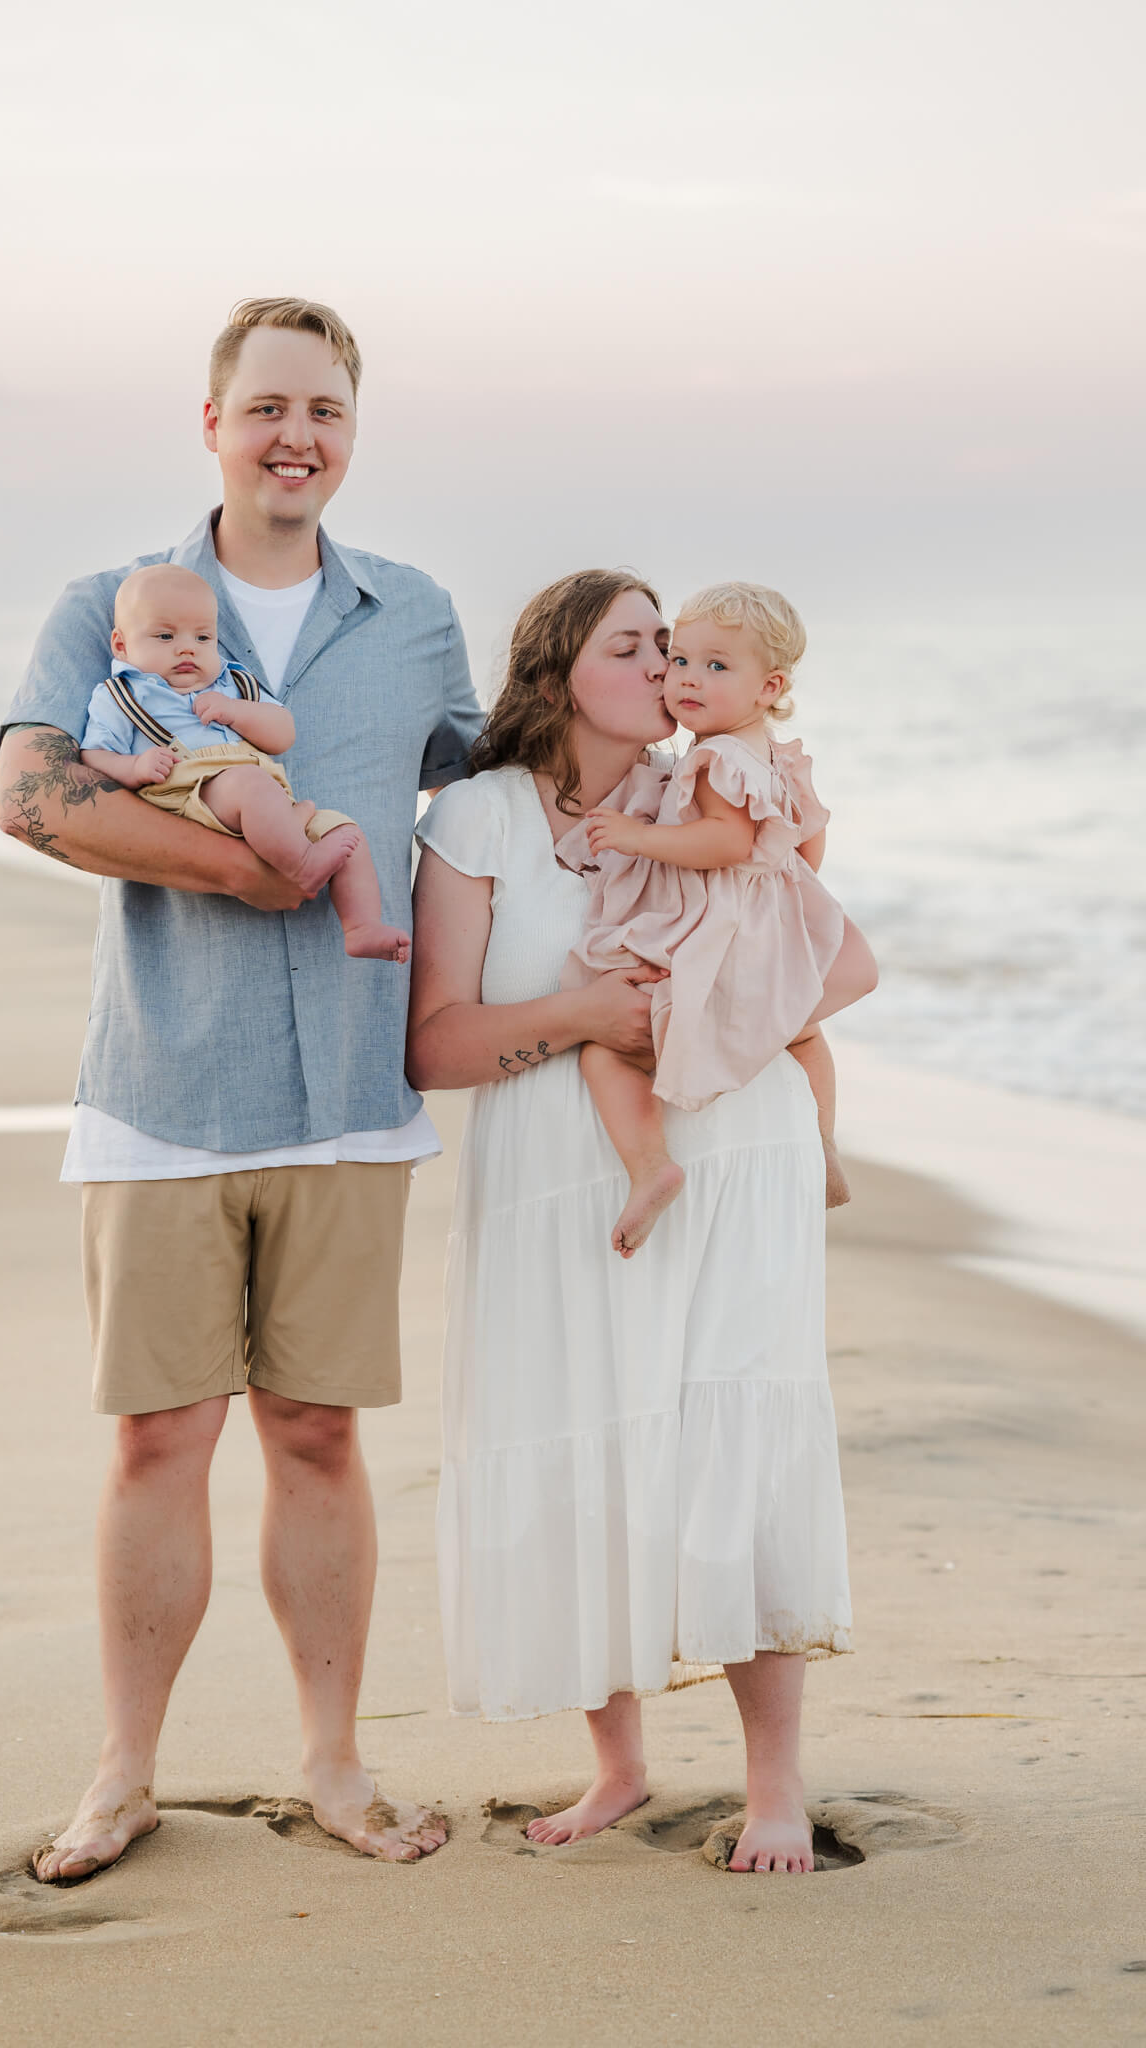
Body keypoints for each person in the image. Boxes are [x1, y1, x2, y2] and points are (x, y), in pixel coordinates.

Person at [0, 295, 480, 1876]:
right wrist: (244, 874)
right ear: (211, 424)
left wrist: (715, 785)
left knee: (320, 1437)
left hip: (349, 1091)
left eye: (325, 411)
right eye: (268, 405)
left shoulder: (408, 615)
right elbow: (32, 794)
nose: (296, 435)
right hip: (162, 1085)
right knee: (154, 1441)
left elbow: (500, 799)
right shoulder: (111, 605)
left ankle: (333, 1765)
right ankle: (124, 1772)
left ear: (350, 435)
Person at [407, 569, 851, 1874]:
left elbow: (792, 940)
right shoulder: (476, 818)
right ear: (557, 674)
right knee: (572, 1442)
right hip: (558, 1177)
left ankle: (773, 1786)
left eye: (676, 650)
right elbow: (433, 1043)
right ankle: (618, 1768)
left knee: (735, 1431)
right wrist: (586, 1019)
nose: (665, 669)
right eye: (635, 646)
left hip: (735, 1148)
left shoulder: (711, 780)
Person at [562, 580, 877, 1255]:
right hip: (774, 922)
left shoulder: (711, 759)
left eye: (715, 666)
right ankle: (819, 1139)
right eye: (680, 660)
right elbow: (805, 850)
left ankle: (650, 1168)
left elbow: (726, 844)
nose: (685, 679)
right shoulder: (771, 753)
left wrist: (635, 835)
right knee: (804, 1036)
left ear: (768, 687)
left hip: (724, 926)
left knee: (606, 1051)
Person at [80, 561, 410, 961]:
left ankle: (361, 926)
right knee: (251, 787)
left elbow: (282, 733)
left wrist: (236, 712)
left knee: (346, 831)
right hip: (187, 790)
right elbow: (93, 755)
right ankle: (303, 865)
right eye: (165, 636)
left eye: (203, 637)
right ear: (121, 645)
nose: (187, 648)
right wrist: (133, 768)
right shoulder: (121, 696)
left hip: (259, 794)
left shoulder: (234, 683)